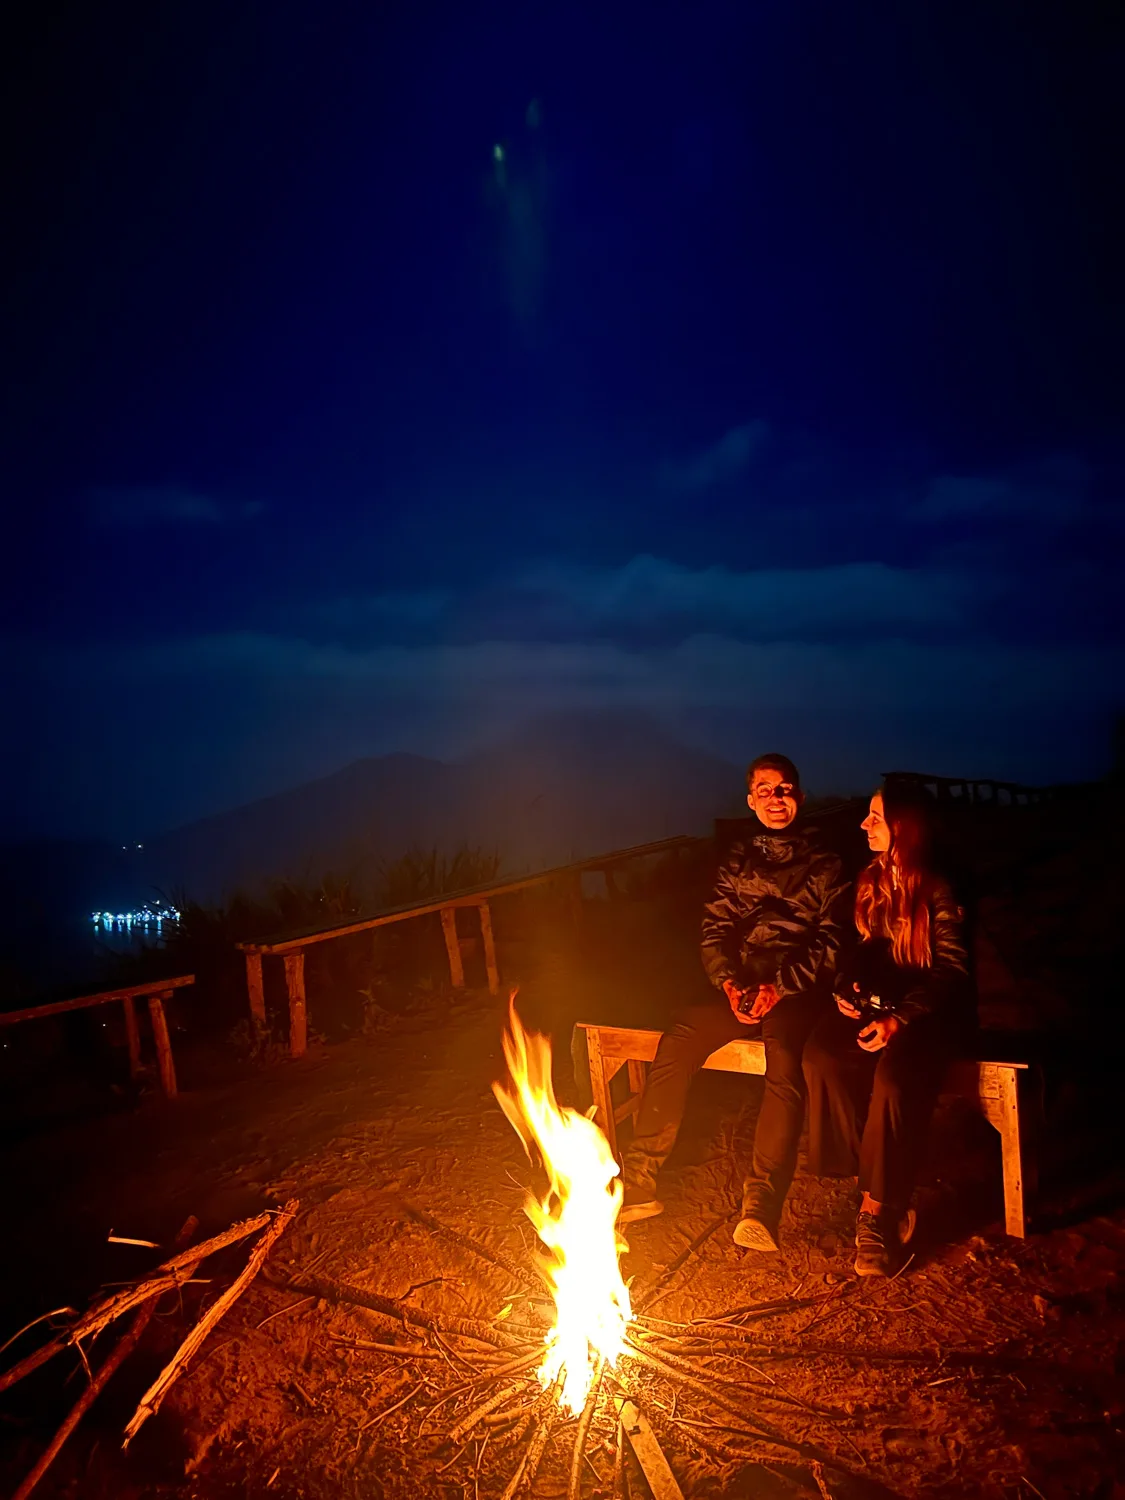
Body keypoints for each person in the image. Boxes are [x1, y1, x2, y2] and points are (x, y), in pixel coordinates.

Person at [620, 753, 850, 1251]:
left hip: (795, 990)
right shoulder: (737, 860)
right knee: (680, 1036)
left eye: (785, 789)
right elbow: (714, 929)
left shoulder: (826, 864)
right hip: (743, 986)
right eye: (765, 791)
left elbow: (831, 943)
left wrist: (779, 987)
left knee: (784, 1056)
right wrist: (728, 981)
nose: (776, 799)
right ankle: (638, 1180)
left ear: (800, 797)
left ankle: (761, 1203)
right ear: (750, 801)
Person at [802, 779, 972, 1277]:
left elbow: (952, 972)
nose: (864, 824)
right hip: (883, 1006)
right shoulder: (870, 881)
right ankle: (876, 1179)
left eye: (875, 816)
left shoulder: (938, 886)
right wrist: (845, 990)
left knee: (893, 1082)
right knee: (821, 1057)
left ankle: (878, 1211)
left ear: (904, 826)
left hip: (930, 1014)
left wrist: (900, 1019)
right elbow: (860, 954)